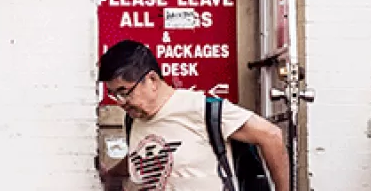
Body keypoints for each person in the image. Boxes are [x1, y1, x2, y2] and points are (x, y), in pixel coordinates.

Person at [97, 40, 290, 190]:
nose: (120, 102)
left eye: (124, 92)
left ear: (152, 80)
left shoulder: (203, 109)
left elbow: (271, 135)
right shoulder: (134, 120)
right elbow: (147, 155)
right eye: (114, 95)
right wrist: (110, 174)